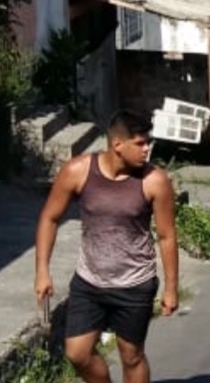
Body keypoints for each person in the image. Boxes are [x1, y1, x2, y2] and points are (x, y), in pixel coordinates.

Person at [35, 109, 179, 383]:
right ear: (117, 145)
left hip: (135, 284)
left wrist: (171, 288)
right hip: (90, 282)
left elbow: (167, 236)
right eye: (140, 143)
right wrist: (42, 270)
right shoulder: (77, 171)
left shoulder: (155, 181)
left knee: (131, 355)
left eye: (148, 142)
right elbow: (49, 218)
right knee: (77, 353)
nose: (147, 149)